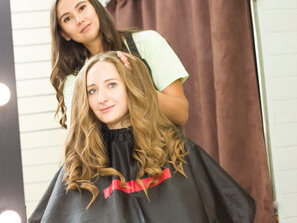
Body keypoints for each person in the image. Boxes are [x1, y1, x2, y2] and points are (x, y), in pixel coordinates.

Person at [29, 52, 256, 223]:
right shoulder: (79, 169)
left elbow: (235, 208)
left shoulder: (177, 150)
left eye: (112, 85)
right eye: (92, 90)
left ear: (132, 87)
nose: (102, 98)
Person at [50, 0, 189, 129]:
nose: (79, 20)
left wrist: (138, 87)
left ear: (96, 8)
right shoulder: (74, 79)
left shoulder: (148, 43)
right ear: (64, 34)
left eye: (82, 8)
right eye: (67, 18)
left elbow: (181, 114)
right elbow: (78, 137)